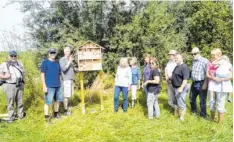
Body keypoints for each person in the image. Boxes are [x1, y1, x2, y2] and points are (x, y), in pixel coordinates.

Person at [207, 48, 232, 124]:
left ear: (219, 55)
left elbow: (231, 75)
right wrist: (213, 78)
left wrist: (223, 79)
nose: (212, 56)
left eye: (213, 54)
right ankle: (212, 119)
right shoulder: (211, 62)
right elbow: (207, 74)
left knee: (220, 105)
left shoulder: (226, 63)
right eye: (211, 55)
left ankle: (219, 124)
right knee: (211, 104)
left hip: (222, 86)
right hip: (212, 85)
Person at [0, 50, 25, 123]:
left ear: (16, 56)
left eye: (15, 56)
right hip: (9, 85)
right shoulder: (4, 64)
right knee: (10, 102)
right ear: (9, 56)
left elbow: (23, 73)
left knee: (20, 102)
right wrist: (5, 76)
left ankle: (20, 116)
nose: (13, 57)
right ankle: (11, 118)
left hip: (19, 84)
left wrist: (23, 82)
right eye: (12, 56)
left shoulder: (20, 63)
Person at [41, 48, 63, 122]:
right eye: (51, 53)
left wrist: (60, 84)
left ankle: (56, 114)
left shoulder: (57, 63)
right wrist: (44, 86)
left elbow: (59, 74)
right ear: (49, 53)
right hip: (49, 86)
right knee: (48, 102)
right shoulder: (45, 62)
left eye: (54, 53)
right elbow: (42, 74)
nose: (52, 54)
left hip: (58, 85)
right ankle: (46, 117)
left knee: (57, 101)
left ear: (55, 54)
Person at [189, 47, 208, 118]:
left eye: (195, 54)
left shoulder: (205, 61)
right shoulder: (194, 61)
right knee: (191, 98)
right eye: (192, 54)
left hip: (202, 83)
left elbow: (207, 73)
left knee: (202, 100)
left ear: (199, 53)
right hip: (194, 82)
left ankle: (203, 116)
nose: (193, 55)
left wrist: (205, 84)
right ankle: (194, 112)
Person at [171, 53, 190, 121]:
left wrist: (181, 88)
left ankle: (181, 118)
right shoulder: (177, 66)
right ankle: (176, 114)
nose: (176, 59)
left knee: (181, 103)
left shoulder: (184, 67)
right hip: (175, 87)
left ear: (182, 59)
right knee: (176, 102)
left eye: (177, 58)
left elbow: (185, 79)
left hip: (181, 88)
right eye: (175, 58)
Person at [59, 46, 75, 116]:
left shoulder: (69, 60)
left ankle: (68, 107)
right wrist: (69, 61)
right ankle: (65, 110)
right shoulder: (62, 59)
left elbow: (73, 69)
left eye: (69, 51)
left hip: (71, 80)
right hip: (66, 80)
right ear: (64, 52)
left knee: (69, 95)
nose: (69, 52)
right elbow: (64, 69)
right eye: (68, 51)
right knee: (66, 96)